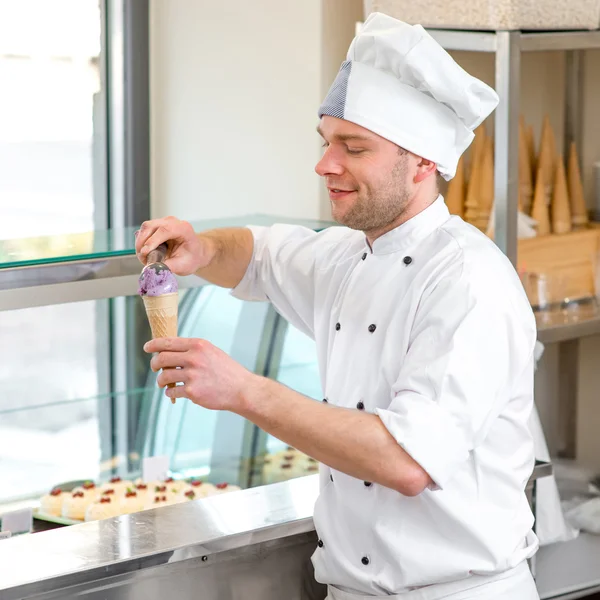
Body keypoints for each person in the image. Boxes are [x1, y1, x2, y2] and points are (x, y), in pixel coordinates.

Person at [135, 12, 540, 600]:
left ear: (423, 161)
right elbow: (259, 254)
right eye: (326, 143)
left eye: (354, 148)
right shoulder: (348, 256)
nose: (325, 165)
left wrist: (243, 390)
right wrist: (200, 247)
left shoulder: (469, 282)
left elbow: (406, 462)